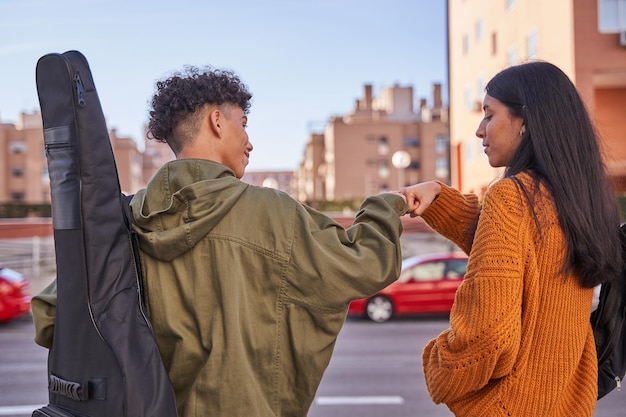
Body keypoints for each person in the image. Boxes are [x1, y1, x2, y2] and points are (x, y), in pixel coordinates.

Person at [32, 66, 411, 417]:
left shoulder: (124, 219)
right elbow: (365, 262)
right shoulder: (270, 213)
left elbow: (51, 317)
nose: (250, 142)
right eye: (243, 124)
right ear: (217, 121)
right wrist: (390, 204)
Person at [400, 61, 623, 416]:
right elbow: (522, 251)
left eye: (489, 115)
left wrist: (437, 362)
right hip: (567, 404)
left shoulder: (512, 196)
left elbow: (486, 337)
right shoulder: (577, 199)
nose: (479, 130)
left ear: (525, 121)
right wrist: (440, 200)